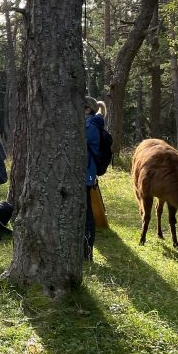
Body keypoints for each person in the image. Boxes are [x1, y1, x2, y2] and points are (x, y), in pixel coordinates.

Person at [84, 96, 107, 261]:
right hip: (86, 173)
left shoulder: (90, 126)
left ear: (87, 109)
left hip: (85, 174)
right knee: (85, 211)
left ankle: (86, 252)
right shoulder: (91, 123)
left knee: (86, 214)